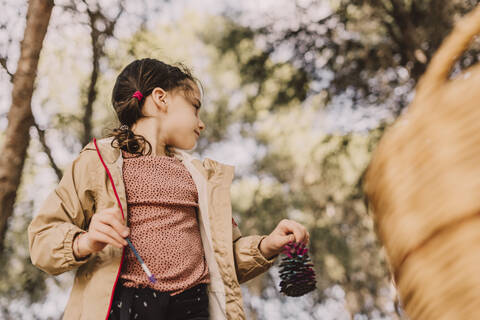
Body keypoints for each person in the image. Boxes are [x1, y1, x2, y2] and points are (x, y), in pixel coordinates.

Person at [28, 58, 310, 320]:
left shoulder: (201, 177)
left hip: (194, 305)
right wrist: (85, 241)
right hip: (127, 304)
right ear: (161, 98)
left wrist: (267, 246)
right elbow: (42, 238)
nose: (202, 123)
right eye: (195, 107)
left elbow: (222, 259)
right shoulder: (98, 161)